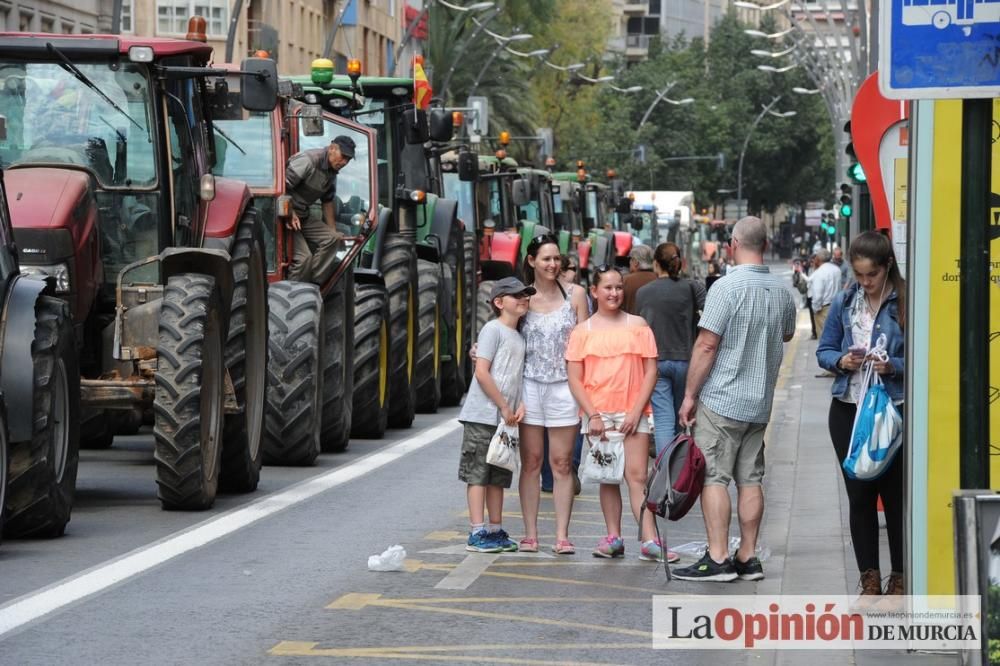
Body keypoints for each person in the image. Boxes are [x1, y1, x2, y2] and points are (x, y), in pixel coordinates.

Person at [674, 216, 796, 582]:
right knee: (750, 479)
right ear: (766, 244)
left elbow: (707, 343)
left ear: (732, 244)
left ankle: (717, 557)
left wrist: (690, 396)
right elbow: (788, 335)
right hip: (759, 403)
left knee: (714, 477)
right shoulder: (782, 292)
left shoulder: (725, 289)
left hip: (723, 398)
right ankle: (748, 556)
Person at [816, 231, 905, 597]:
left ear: (886, 267)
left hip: (892, 412)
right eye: (859, 274)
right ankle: (869, 578)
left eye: (871, 274)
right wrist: (842, 360)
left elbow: (924, 355)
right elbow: (824, 350)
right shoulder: (845, 301)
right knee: (859, 497)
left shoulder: (904, 302)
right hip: (849, 411)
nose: (865, 282)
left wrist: (892, 366)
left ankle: (899, 578)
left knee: (896, 498)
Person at [566, 266, 660, 561]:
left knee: (637, 476)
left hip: (633, 412)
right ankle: (613, 537)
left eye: (619, 287)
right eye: (607, 288)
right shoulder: (583, 332)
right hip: (598, 414)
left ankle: (650, 540)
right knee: (608, 477)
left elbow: (650, 372)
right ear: (594, 291)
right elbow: (574, 378)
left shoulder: (638, 325)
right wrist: (593, 415)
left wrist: (636, 412)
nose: (614, 293)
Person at [518, 235, 590, 554]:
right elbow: (505, 335)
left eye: (556, 258)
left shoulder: (576, 295)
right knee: (531, 462)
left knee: (561, 464)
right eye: (545, 259)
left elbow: (587, 344)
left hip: (565, 386)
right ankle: (531, 534)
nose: (552, 264)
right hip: (529, 386)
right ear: (532, 261)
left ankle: (561, 535)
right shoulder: (520, 298)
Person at [457, 277, 534, 553]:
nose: (523, 299)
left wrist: (520, 404)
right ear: (499, 302)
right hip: (483, 415)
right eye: (517, 296)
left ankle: (495, 528)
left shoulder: (518, 336)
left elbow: (518, 377)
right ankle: (477, 530)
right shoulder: (492, 329)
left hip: (505, 420)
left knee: (498, 475)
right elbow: (482, 372)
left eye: (525, 295)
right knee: (478, 473)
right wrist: (503, 405)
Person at [636, 242, 706, 457]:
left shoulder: (643, 293)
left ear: (656, 264)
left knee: (664, 421)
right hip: (686, 362)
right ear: (680, 262)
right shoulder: (691, 288)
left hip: (656, 363)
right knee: (681, 417)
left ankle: (667, 474)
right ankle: (681, 469)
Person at [284, 135, 355, 285]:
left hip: (302, 215)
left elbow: (327, 202)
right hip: (281, 213)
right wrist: (290, 212)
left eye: (348, 160)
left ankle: (314, 284)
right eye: (343, 157)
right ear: (332, 148)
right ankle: (295, 292)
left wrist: (333, 231)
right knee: (304, 259)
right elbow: (281, 188)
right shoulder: (308, 161)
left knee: (333, 238)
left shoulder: (331, 173)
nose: (344, 162)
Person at [808, 249, 842, 337]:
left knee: (824, 339)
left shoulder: (819, 273)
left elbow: (817, 296)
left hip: (824, 310)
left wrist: (816, 309)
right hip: (837, 306)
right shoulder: (837, 269)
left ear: (818, 259)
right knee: (835, 337)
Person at [622, 244, 656, 314]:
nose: (629, 262)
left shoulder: (625, 280)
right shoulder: (659, 279)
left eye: (630, 259)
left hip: (630, 323)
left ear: (635, 262)